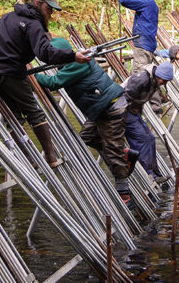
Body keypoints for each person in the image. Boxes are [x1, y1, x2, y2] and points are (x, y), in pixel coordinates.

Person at [0, 0, 91, 167]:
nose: (51, 13)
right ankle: (51, 156)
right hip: (10, 71)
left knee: (15, 117)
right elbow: (45, 53)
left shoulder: (8, 17)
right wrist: (73, 56)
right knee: (35, 112)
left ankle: (29, 159)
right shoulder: (33, 24)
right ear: (38, 3)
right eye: (49, 8)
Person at [35, 37, 139, 210]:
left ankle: (125, 196)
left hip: (110, 107)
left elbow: (53, 82)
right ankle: (126, 153)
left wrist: (31, 74)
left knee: (113, 150)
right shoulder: (73, 62)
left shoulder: (76, 64)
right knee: (87, 137)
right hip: (100, 107)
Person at [121, 61, 174, 181]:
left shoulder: (154, 80)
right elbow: (123, 98)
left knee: (150, 138)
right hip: (123, 111)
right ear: (159, 75)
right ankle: (149, 175)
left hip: (133, 112)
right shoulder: (142, 79)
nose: (164, 83)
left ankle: (155, 173)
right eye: (164, 80)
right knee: (142, 140)